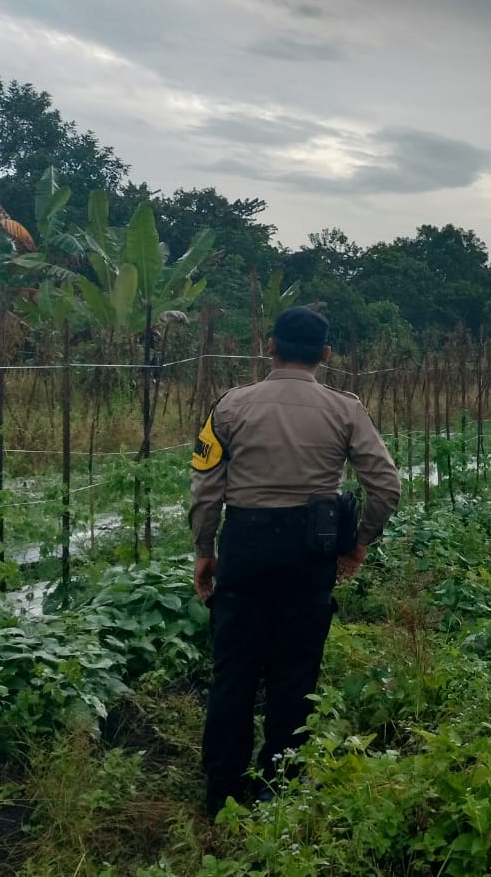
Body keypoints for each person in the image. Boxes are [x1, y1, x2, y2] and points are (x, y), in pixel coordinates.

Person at [189, 306, 402, 817]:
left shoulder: (229, 406)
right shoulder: (346, 410)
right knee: (295, 671)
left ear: (270, 346)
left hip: (245, 547)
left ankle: (222, 789)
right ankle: (278, 786)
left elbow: (205, 490)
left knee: (234, 670)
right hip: (311, 552)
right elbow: (386, 486)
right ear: (326, 355)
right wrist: (359, 542)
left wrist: (205, 549)